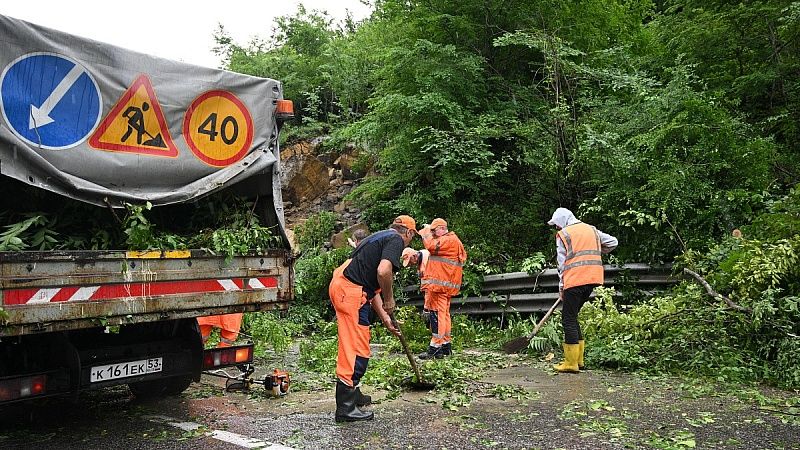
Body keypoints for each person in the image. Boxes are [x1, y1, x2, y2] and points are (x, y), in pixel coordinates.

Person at [329, 215, 416, 422]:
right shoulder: (396, 240)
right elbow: (383, 272)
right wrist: (390, 299)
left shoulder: (379, 237)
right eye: (413, 237)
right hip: (350, 293)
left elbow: (371, 287)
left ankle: (354, 394)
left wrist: (386, 318)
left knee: (359, 346)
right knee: (356, 352)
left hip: (349, 288)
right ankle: (346, 408)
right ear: (409, 233)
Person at [547, 207, 618, 373]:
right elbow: (613, 242)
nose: (557, 228)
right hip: (592, 279)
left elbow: (562, 263)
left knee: (567, 319)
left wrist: (561, 286)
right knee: (572, 317)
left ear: (563, 221)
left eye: (557, 224)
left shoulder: (564, 234)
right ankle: (579, 361)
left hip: (574, 279)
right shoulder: (591, 229)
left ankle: (570, 363)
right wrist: (598, 250)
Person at [417, 218, 466, 359]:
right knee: (444, 315)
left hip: (440, 286)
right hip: (444, 285)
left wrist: (426, 232)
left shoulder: (448, 240)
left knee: (437, 315)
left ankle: (435, 347)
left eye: (434, 230)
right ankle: (445, 345)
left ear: (442, 228)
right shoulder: (452, 240)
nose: (432, 232)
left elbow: (431, 246)